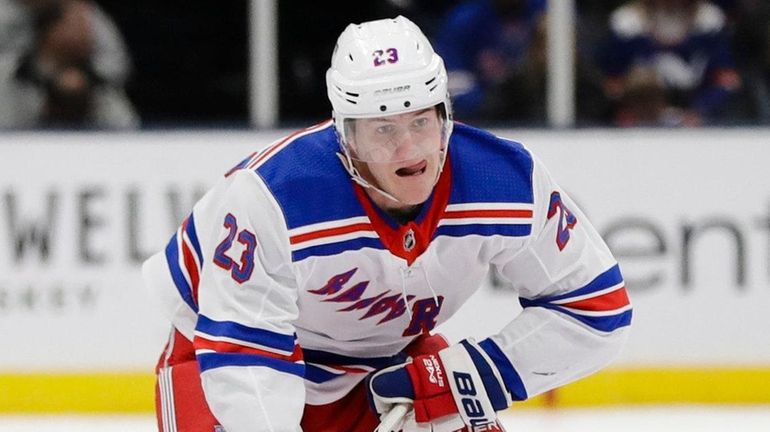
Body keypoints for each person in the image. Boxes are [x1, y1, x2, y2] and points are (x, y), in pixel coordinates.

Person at [142, 16, 632, 432]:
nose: (409, 151)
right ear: (345, 136)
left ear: (446, 115)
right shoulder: (274, 194)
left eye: (421, 121)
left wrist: (462, 375)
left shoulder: (504, 178)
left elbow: (596, 310)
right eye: (383, 129)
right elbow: (243, 350)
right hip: (218, 357)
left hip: (388, 363)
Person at [598, 0, 742, 127]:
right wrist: (626, 110)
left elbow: (726, 78)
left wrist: (701, 109)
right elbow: (613, 82)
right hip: (639, 109)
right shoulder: (627, 23)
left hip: (696, 105)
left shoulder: (709, 20)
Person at [0, 0, 138, 129]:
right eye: (68, 26)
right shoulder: (11, 82)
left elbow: (119, 67)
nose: (78, 37)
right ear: (47, 35)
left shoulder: (110, 102)